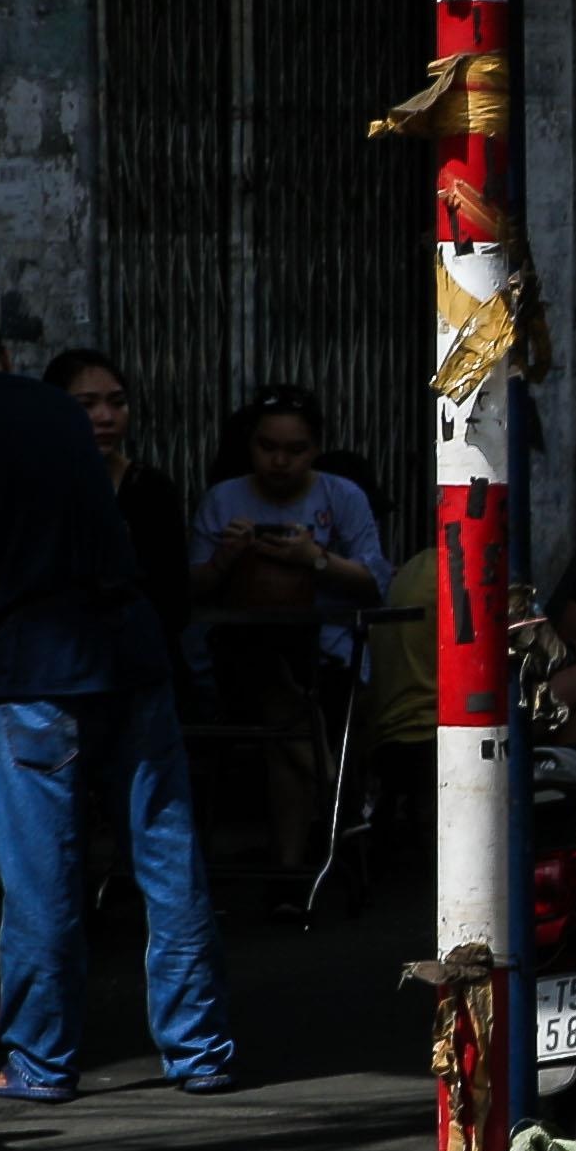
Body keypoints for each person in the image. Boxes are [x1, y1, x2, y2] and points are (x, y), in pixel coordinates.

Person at [0, 298, 229, 1102]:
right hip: (132, 645)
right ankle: (201, 1054)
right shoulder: (57, 410)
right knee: (167, 855)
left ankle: (41, 1063)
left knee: (43, 871)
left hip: (37, 665)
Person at [192, 388, 388, 910]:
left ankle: (288, 872)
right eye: (267, 447)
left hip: (326, 654)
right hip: (245, 652)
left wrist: (313, 558)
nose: (279, 461)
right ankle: (335, 791)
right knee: (278, 696)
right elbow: (191, 590)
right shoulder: (224, 499)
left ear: (316, 449)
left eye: (295, 449)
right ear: (250, 446)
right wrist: (229, 558)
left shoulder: (341, 496)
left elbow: (375, 582)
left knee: (287, 731)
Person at [44, 350, 190, 662]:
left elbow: (173, 598)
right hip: (60, 666)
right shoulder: (36, 489)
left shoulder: (150, 490)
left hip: (141, 665)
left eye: (117, 402)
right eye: (86, 405)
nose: (106, 417)